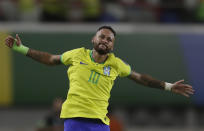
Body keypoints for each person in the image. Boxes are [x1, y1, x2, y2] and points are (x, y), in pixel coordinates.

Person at [4, 26, 194, 131]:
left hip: (100, 124)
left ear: (112, 46)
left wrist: (168, 87)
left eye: (109, 39)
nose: (105, 40)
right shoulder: (77, 54)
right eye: (102, 37)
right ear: (93, 40)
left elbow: (141, 78)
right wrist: (21, 49)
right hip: (74, 119)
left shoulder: (116, 64)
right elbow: (50, 59)